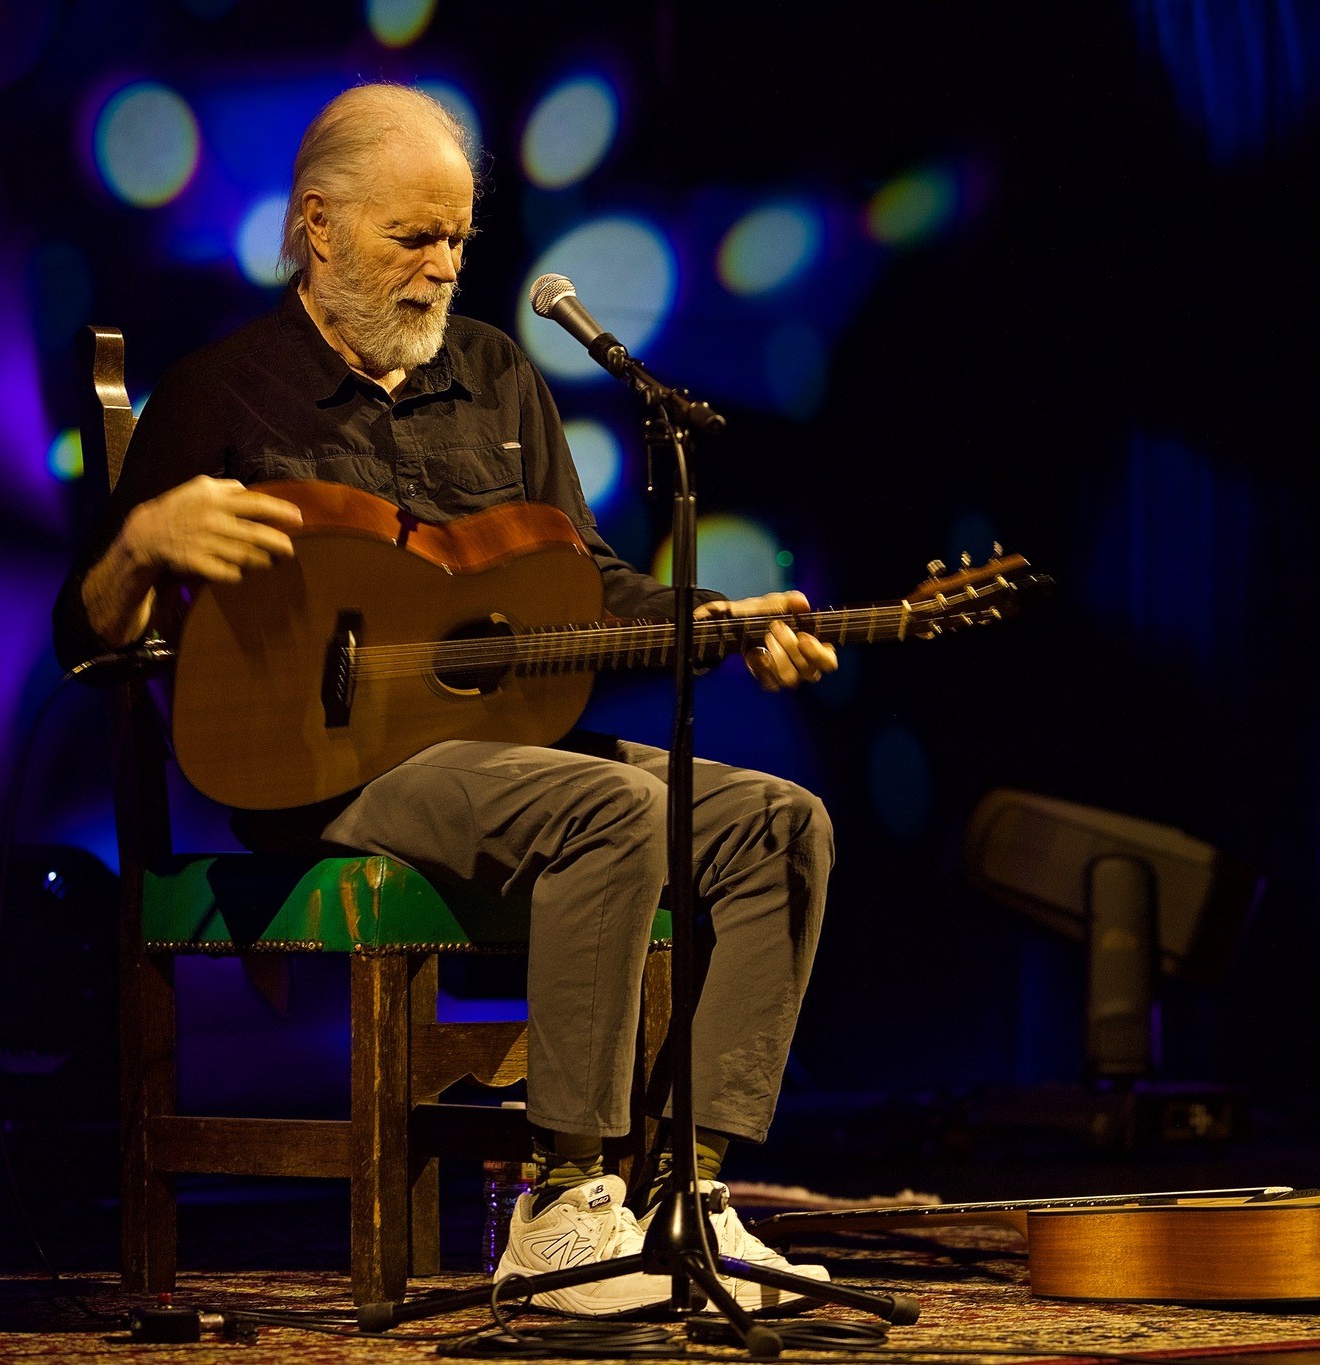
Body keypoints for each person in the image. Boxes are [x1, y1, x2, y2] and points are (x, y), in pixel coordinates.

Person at [53, 83, 840, 1318]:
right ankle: (561, 1201)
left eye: (457, 239)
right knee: (613, 813)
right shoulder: (223, 392)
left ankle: (685, 1192)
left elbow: (589, 590)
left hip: (513, 759)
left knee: (776, 825)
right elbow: (87, 640)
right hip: (325, 778)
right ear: (317, 226)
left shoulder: (496, 375)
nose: (440, 268)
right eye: (410, 237)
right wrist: (139, 547)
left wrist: (723, 625)